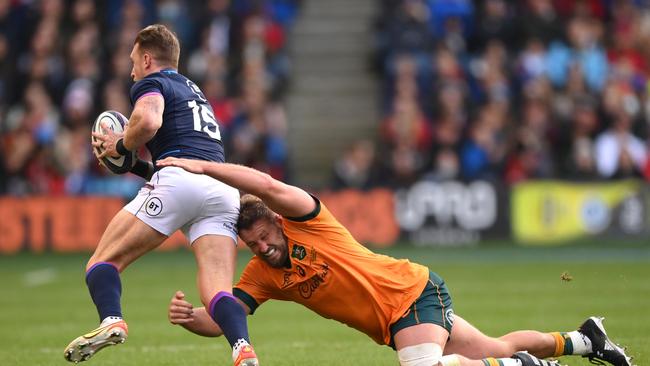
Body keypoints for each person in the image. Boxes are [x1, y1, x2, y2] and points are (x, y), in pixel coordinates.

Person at [157, 157, 633, 366]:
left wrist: (203, 168)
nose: (261, 249)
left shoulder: (306, 221)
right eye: (252, 245)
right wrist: (192, 319)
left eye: (263, 238)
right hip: (395, 320)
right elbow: (227, 318)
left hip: (409, 293)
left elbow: (269, 188)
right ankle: (583, 340)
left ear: (277, 224)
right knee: (495, 347)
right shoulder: (262, 275)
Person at [63, 25, 258, 366]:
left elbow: (150, 122)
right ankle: (243, 348)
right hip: (221, 188)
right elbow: (183, 159)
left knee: (102, 262)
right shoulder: (194, 92)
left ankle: (112, 320)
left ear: (148, 58)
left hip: (181, 181)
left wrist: (120, 144)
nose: (132, 69)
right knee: (217, 291)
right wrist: (133, 164)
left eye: (134, 60)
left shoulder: (151, 83)